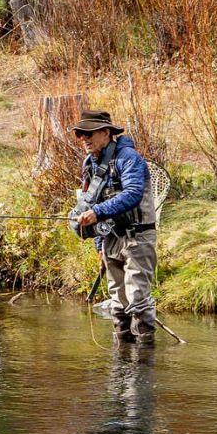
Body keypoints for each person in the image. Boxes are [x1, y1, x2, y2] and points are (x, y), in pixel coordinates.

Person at [72, 109, 160, 345]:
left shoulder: (128, 158)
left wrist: (98, 212)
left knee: (138, 301)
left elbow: (132, 193)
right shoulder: (90, 163)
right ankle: (122, 358)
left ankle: (144, 359)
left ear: (106, 132)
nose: (84, 139)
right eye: (80, 134)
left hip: (137, 237)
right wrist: (99, 246)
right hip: (110, 239)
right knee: (118, 305)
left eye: (89, 133)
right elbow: (90, 203)